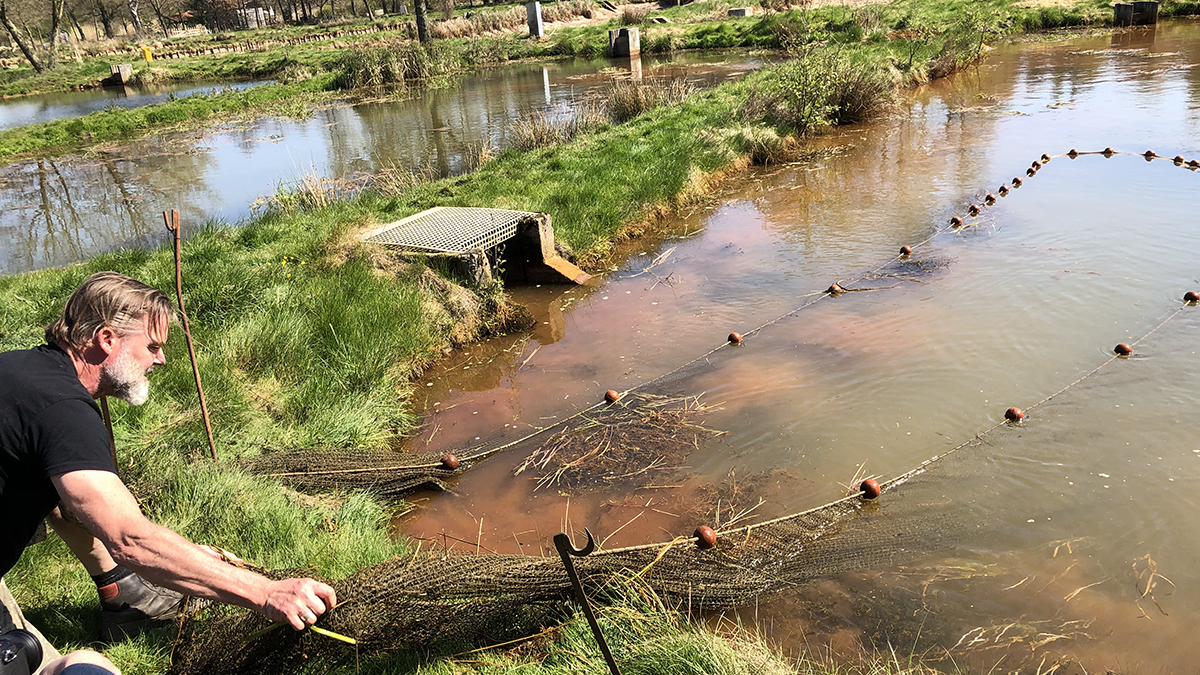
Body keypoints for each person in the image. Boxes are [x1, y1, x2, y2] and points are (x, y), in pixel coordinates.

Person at [1, 272, 336, 675]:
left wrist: (183, 557)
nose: (160, 360)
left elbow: (71, 503)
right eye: (152, 346)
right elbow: (130, 539)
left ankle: (122, 594)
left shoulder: (18, 369)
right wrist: (265, 592)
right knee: (84, 667)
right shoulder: (63, 412)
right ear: (107, 340)